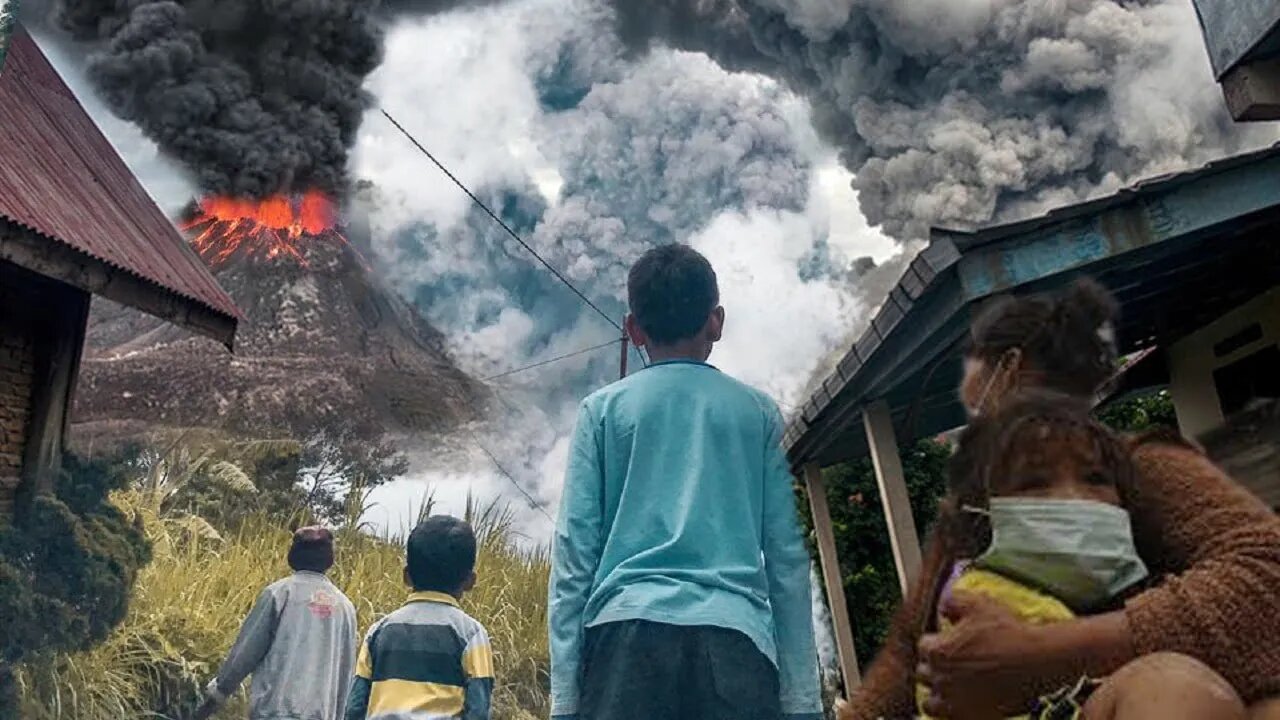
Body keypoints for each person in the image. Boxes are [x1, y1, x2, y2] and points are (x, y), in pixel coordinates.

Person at [844, 278, 1280, 719]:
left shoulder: (1135, 464)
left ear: (1010, 368)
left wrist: (1044, 655)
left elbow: (1267, 572)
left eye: (975, 386)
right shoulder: (971, 513)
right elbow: (906, 652)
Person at [548, 243, 822, 720]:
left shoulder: (602, 413)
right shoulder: (758, 415)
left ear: (633, 329)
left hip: (622, 648)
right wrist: (802, 702)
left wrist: (566, 700)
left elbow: (574, 558)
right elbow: (786, 562)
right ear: (716, 321)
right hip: (736, 649)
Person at [908, 391, 1243, 719]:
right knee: (1173, 687)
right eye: (1032, 484)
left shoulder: (1156, 588)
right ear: (983, 513)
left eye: (1095, 478)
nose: (1073, 497)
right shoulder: (979, 604)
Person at [195, 526, 358, 720]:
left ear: (294, 554)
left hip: (275, 712)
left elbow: (246, 653)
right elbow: (346, 672)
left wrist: (216, 696)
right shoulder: (345, 607)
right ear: (329, 559)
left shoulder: (279, 594)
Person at [345, 515, 494, 720]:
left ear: (406, 575)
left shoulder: (379, 631)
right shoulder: (471, 634)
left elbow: (355, 705)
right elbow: (478, 709)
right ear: (470, 581)